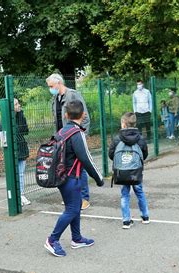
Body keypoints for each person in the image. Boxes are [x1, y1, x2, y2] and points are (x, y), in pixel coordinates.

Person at [44, 100, 104, 257]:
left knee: (75, 206)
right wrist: (98, 178)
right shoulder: (77, 134)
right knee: (72, 209)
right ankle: (52, 239)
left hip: (61, 175)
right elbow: (86, 158)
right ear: (83, 115)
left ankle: (76, 239)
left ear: (66, 115)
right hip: (72, 178)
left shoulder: (62, 131)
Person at [46, 73, 92, 210]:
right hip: (62, 138)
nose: (50, 89)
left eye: (51, 86)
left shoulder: (73, 95)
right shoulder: (55, 99)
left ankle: (84, 198)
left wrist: (82, 135)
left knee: (80, 168)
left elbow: (85, 117)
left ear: (59, 83)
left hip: (74, 136)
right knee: (64, 167)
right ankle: (70, 196)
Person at [108, 112, 149, 229]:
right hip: (136, 171)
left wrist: (122, 163)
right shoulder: (140, 138)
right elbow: (144, 154)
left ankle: (126, 220)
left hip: (122, 172)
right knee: (140, 192)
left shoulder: (117, 139)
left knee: (124, 195)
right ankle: (145, 216)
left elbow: (111, 154)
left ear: (123, 124)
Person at [0, 98, 31, 206]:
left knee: (20, 174)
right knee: (14, 174)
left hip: (21, 148)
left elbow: (25, 130)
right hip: (11, 151)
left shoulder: (20, 116)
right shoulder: (4, 119)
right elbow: (0, 136)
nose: (18, 105)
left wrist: (20, 115)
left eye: (18, 103)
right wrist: (7, 146)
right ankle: (15, 195)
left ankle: (21, 194)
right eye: (16, 104)